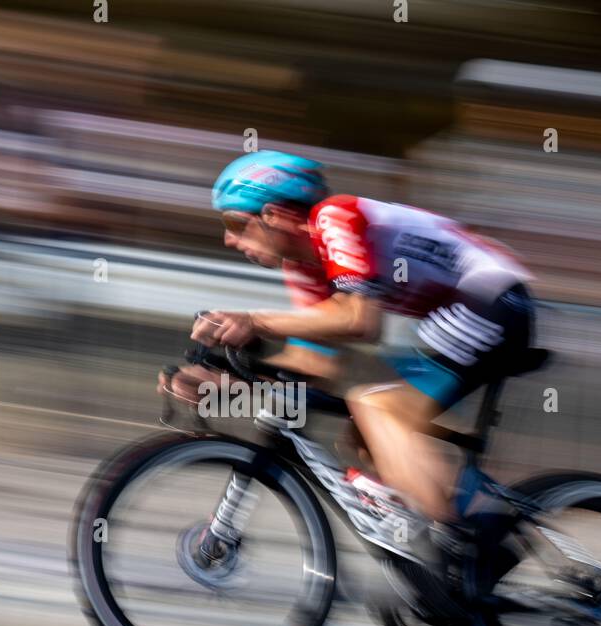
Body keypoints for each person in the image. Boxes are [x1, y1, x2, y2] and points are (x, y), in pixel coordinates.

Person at [176, 149, 536, 571]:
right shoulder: (305, 266)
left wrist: (254, 320)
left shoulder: (334, 218)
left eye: (235, 223)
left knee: (377, 405)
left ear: (272, 215)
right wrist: (229, 386)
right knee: (363, 432)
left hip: (493, 300)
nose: (229, 239)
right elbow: (316, 363)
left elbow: (360, 322)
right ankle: (465, 520)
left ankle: (468, 544)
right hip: (453, 312)